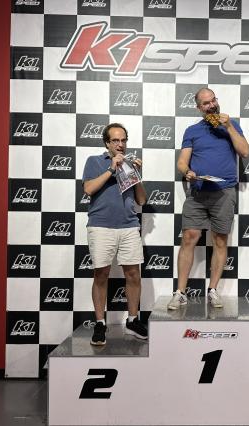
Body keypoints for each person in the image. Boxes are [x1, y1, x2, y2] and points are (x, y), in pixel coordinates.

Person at [168, 88, 249, 309]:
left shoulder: (232, 124)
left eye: (213, 100)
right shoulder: (192, 130)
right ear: (199, 108)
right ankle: (180, 292)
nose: (211, 105)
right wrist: (187, 172)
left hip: (224, 192)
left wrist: (229, 126)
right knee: (189, 237)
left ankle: (213, 290)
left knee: (220, 240)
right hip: (198, 191)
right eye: (206, 103)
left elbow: (244, 152)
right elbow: (182, 162)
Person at [82, 123, 148, 345]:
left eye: (123, 140)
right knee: (101, 274)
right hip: (101, 226)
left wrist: (136, 175)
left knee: (134, 274)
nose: (120, 144)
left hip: (129, 225)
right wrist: (111, 168)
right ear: (107, 143)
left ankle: (133, 320)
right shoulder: (94, 161)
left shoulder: (130, 164)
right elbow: (88, 189)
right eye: (115, 140)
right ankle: (100, 323)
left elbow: (141, 200)